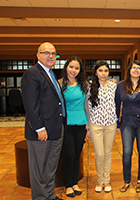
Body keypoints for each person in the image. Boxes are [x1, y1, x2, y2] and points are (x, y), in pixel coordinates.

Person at [21, 42, 66, 200]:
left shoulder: (51, 73)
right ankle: (40, 197)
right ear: (38, 55)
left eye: (53, 53)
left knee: (50, 166)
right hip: (42, 131)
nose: (50, 56)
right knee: (38, 168)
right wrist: (39, 128)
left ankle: (49, 194)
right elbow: (30, 104)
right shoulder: (32, 74)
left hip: (56, 128)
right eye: (46, 53)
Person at [115, 60, 140, 193]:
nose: (136, 70)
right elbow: (116, 105)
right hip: (127, 122)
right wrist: (117, 123)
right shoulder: (121, 85)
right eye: (134, 68)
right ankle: (126, 180)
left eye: (139, 68)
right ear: (129, 70)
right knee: (127, 152)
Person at [59, 56, 88, 198]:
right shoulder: (59, 84)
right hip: (66, 124)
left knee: (77, 154)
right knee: (68, 155)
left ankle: (75, 182)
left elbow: (87, 104)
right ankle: (68, 185)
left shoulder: (84, 84)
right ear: (66, 67)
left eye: (77, 68)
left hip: (81, 123)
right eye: (71, 67)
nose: (73, 70)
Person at [86, 60, 117, 193]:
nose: (103, 73)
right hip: (96, 125)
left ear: (108, 72)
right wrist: (88, 127)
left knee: (108, 153)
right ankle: (100, 181)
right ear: (96, 72)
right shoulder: (90, 87)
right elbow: (87, 107)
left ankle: (107, 180)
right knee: (99, 154)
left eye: (105, 71)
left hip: (111, 124)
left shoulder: (114, 86)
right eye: (100, 71)